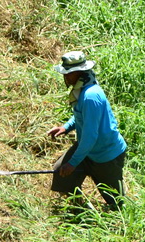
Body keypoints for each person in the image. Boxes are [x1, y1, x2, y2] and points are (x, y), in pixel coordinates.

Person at [46, 51, 127, 211]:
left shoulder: (90, 96)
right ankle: (84, 210)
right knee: (61, 174)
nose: (65, 77)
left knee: (115, 202)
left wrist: (73, 163)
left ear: (80, 72)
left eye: (69, 73)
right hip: (88, 149)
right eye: (65, 73)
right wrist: (66, 127)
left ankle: (106, 219)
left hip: (106, 155)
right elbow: (80, 115)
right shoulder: (81, 90)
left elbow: (90, 137)